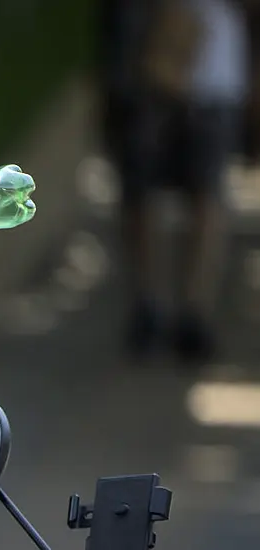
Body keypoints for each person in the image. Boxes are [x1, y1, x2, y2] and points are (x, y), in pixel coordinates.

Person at [99, 0, 250, 363]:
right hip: (150, 71)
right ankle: (150, 305)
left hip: (213, 80)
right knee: (141, 196)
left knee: (205, 199)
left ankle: (193, 311)